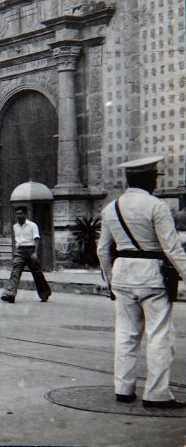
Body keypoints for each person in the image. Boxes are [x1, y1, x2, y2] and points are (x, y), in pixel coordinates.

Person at [97, 156, 186, 409]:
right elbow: (172, 248)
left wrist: (109, 280)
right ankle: (156, 394)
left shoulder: (110, 208)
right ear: (149, 179)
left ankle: (123, 389)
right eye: (155, 178)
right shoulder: (157, 207)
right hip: (152, 275)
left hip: (122, 274)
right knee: (159, 334)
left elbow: (103, 249)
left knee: (126, 333)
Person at [0, 206, 52, 303]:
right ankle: (10, 294)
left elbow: (37, 239)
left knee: (37, 273)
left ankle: (44, 294)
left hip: (31, 250)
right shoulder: (15, 226)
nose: (19, 216)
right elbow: (16, 240)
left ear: (25, 214)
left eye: (21, 213)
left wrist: (35, 253)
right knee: (15, 272)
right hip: (20, 251)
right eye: (17, 214)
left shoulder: (33, 225)